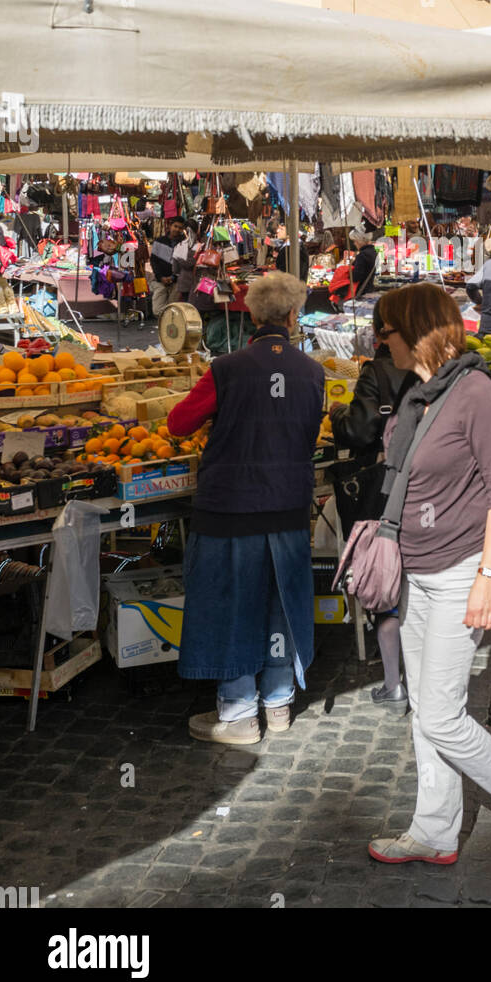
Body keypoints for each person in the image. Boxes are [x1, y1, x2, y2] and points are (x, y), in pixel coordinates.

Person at [367, 283, 491, 875]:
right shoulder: (417, 391)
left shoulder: (475, 393)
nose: (378, 342)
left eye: (386, 331)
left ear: (416, 329)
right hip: (413, 572)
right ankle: (435, 829)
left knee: (442, 713)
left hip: (459, 570)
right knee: (425, 707)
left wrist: (488, 579)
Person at [168, 272, 324, 743]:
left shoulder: (227, 368)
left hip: (230, 508)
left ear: (252, 315)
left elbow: (177, 423)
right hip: (288, 506)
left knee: (232, 604)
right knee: (281, 602)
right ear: (294, 317)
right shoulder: (313, 372)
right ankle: (277, 703)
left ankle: (238, 713)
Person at [330, 299, 419, 711]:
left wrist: (336, 414)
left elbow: (360, 430)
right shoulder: (433, 369)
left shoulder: (376, 372)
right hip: (423, 491)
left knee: (384, 576)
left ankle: (392, 683)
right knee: (413, 581)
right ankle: (416, 680)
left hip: (382, 488)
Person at [149, 217, 187, 317]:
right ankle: (166, 322)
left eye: (180, 228)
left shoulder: (184, 243)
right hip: (160, 281)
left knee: (174, 309)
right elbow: (154, 261)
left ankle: (168, 330)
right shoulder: (159, 241)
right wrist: (160, 277)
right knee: (157, 310)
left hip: (176, 282)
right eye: (175, 226)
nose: (177, 229)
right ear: (170, 226)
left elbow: (184, 265)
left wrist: (174, 277)